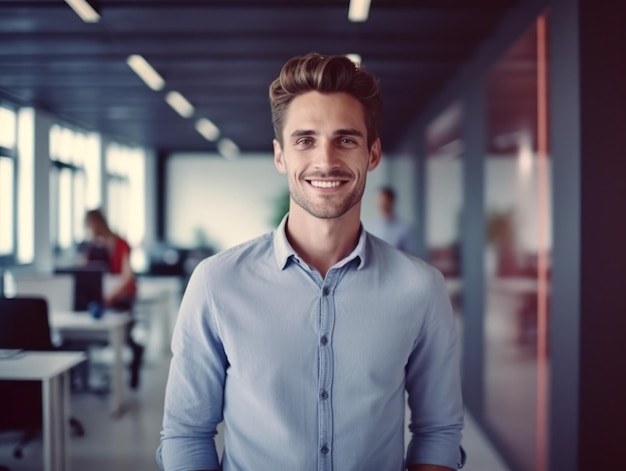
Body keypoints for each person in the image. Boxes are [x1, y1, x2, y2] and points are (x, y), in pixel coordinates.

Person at [157, 52, 465, 471]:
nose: (326, 160)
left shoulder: (421, 288)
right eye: (305, 140)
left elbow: (438, 433)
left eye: (346, 139)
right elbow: (186, 433)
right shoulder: (216, 283)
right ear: (280, 155)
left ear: (372, 153)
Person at [78, 208, 144, 389]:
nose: (91, 229)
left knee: (123, 335)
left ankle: (136, 352)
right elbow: (83, 272)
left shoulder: (121, 244)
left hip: (121, 294)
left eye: (92, 225)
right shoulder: (91, 247)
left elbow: (127, 276)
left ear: (100, 222)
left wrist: (111, 296)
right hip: (102, 295)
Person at [369, 185, 417, 254]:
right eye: (378, 201)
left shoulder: (403, 229)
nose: (380, 205)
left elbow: (409, 254)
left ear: (391, 202)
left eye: (383, 202)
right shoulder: (370, 228)